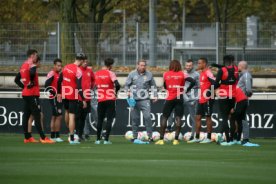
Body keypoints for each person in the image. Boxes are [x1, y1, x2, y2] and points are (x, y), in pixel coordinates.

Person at [14, 49, 54, 144]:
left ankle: (27, 137)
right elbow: (32, 72)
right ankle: (43, 138)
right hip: (32, 94)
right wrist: (31, 82)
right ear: (32, 56)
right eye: (36, 55)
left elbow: (16, 79)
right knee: (37, 115)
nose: (37, 57)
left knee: (26, 116)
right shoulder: (31, 64)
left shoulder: (23, 65)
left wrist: (24, 86)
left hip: (26, 93)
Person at [155, 60, 195, 145]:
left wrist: (170, 88)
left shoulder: (166, 74)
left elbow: (165, 86)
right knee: (178, 118)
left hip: (169, 98)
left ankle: (161, 140)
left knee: (165, 117)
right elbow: (193, 81)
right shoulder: (183, 74)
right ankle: (176, 140)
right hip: (179, 97)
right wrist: (186, 89)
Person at [125, 59, 158, 144]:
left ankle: (150, 137)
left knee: (147, 117)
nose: (143, 67)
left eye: (144, 65)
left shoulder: (149, 75)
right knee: (135, 119)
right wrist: (128, 91)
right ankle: (135, 137)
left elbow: (153, 86)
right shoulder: (132, 74)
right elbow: (126, 85)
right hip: (134, 100)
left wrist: (155, 95)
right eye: (141, 65)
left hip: (145, 99)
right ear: (137, 65)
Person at [57, 53, 87, 145]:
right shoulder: (78, 71)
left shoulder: (66, 67)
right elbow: (78, 86)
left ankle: (69, 131)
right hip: (73, 94)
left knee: (66, 112)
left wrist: (58, 92)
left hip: (65, 93)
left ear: (75, 58)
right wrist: (83, 99)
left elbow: (59, 80)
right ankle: (72, 138)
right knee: (72, 116)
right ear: (81, 61)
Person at [230, 61, 259, 147]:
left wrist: (246, 96)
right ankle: (241, 139)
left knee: (238, 119)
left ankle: (241, 139)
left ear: (240, 66)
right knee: (241, 119)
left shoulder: (246, 75)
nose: (237, 68)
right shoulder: (243, 75)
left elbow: (248, 89)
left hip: (242, 100)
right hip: (240, 100)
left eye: (238, 66)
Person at [188, 58, 215, 144]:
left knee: (208, 117)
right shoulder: (202, 73)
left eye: (199, 63)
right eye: (198, 63)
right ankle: (197, 137)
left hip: (207, 98)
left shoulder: (208, 72)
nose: (198, 65)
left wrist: (210, 93)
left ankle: (209, 138)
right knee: (198, 117)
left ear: (204, 64)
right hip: (201, 98)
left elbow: (214, 82)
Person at [214, 55, 239, 146]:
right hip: (233, 96)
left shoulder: (222, 70)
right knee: (232, 118)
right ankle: (232, 139)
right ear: (232, 60)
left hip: (223, 96)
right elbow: (237, 81)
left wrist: (214, 89)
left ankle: (227, 140)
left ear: (224, 61)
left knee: (224, 118)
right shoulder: (236, 69)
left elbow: (216, 83)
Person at [94, 58, 120, 144]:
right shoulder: (111, 73)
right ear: (110, 65)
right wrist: (115, 93)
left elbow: (94, 85)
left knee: (100, 119)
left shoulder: (97, 73)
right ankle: (106, 140)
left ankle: (97, 139)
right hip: (110, 99)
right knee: (109, 119)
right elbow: (117, 85)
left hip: (100, 99)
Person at [76, 56, 95, 141]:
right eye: (84, 62)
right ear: (81, 62)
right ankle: (75, 134)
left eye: (86, 61)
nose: (86, 63)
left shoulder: (89, 71)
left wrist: (91, 87)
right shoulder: (77, 70)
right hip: (78, 97)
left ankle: (80, 135)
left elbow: (94, 80)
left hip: (87, 98)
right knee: (78, 117)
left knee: (84, 117)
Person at [44, 58, 63, 142]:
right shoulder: (52, 73)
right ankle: (54, 136)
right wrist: (55, 94)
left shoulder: (60, 74)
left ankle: (55, 136)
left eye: (61, 66)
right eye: (58, 66)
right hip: (54, 98)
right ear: (54, 66)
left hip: (59, 98)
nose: (60, 67)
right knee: (57, 116)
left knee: (57, 116)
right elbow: (47, 86)